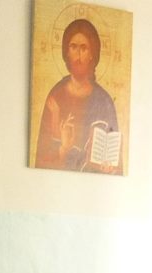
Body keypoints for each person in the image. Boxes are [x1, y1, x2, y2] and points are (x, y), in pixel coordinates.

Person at [34, 18, 122, 174]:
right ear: (67, 52)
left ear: (92, 55)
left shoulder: (105, 101)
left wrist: (109, 169)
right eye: (73, 47)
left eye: (84, 48)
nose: (78, 55)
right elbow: (42, 161)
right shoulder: (56, 96)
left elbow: (116, 163)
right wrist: (64, 148)